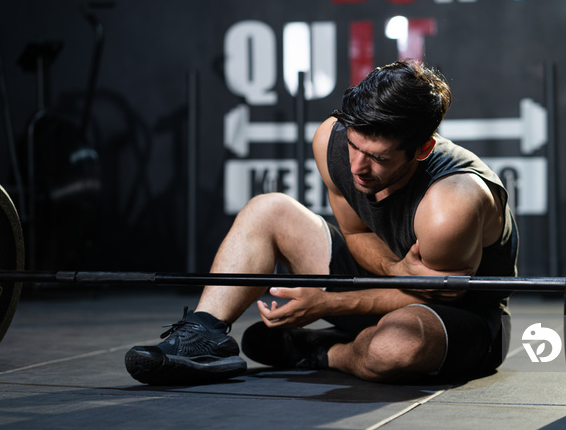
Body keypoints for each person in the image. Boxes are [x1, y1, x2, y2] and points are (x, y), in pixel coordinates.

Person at [125, 60, 518, 385]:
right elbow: (356, 232)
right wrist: (396, 269)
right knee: (269, 208)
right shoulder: (333, 139)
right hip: (388, 285)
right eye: (355, 146)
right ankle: (204, 335)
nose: (358, 167)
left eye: (379, 158)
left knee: (394, 348)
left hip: (459, 316)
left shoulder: (451, 204)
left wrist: (327, 303)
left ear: (422, 148)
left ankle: (322, 350)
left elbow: (434, 293)